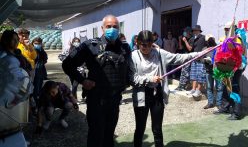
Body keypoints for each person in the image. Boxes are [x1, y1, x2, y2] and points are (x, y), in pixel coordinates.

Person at [62, 15, 131, 147]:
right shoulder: (90, 46)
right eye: (109, 26)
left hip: (115, 99)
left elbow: (128, 68)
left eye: (115, 27)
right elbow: (67, 65)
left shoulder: (124, 48)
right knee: (96, 135)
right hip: (96, 100)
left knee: (109, 135)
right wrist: (83, 80)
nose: (112, 29)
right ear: (102, 28)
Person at [130, 30, 202, 147]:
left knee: (157, 129)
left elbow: (178, 58)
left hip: (157, 94)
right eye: (143, 45)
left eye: (149, 44)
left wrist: (197, 54)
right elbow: (132, 79)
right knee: (140, 128)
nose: (146, 48)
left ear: (152, 43)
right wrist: (150, 79)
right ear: (138, 43)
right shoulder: (133, 56)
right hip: (141, 95)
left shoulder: (159, 53)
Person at [203, 34, 224, 109]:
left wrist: (213, 61)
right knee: (209, 87)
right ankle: (210, 102)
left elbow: (221, 58)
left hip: (217, 70)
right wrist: (206, 60)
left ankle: (219, 103)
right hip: (208, 70)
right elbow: (201, 59)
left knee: (219, 87)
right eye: (208, 40)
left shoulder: (218, 48)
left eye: (211, 39)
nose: (210, 41)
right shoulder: (205, 49)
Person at [188, 25, 207, 98]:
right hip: (194, 58)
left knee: (200, 75)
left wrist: (204, 54)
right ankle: (193, 89)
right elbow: (190, 49)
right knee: (194, 75)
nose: (195, 32)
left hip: (201, 59)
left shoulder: (203, 37)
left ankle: (198, 90)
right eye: (194, 31)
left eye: (196, 30)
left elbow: (207, 46)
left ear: (199, 31)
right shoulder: (193, 39)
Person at [175, 26, 193, 91]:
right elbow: (180, 48)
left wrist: (185, 41)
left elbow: (190, 49)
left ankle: (183, 86)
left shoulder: (192, 39)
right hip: (184, 57)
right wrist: (180, 40)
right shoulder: (184, 38)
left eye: (185, 32)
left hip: (189, 57)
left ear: (189, 32)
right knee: (183, 71)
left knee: (186, 72)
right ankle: (181, 86)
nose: (184, 33)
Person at [31, 37, 48, 103]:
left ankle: (38, 104)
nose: (37, 45)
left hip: (41, 72)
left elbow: (45, 60)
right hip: (34, 72)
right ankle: (35, 105)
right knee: (35, 90)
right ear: (32, 43)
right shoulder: (31, 51)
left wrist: (41, 51)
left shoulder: (42, 51)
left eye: (39, 43)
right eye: (35, 43)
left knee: (39, 89)